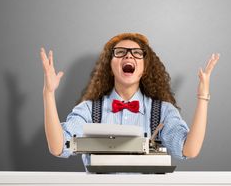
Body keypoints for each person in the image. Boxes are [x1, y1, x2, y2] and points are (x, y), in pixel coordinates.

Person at [41, 32, 220, 166]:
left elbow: (188, 149)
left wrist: (203, 97)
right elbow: (58, 147)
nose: (128, 56)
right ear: (109, 66)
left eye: (136, 53)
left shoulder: (163, 112)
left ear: (145, 67)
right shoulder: (89, 110)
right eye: (120, 52)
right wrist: (48, 94)